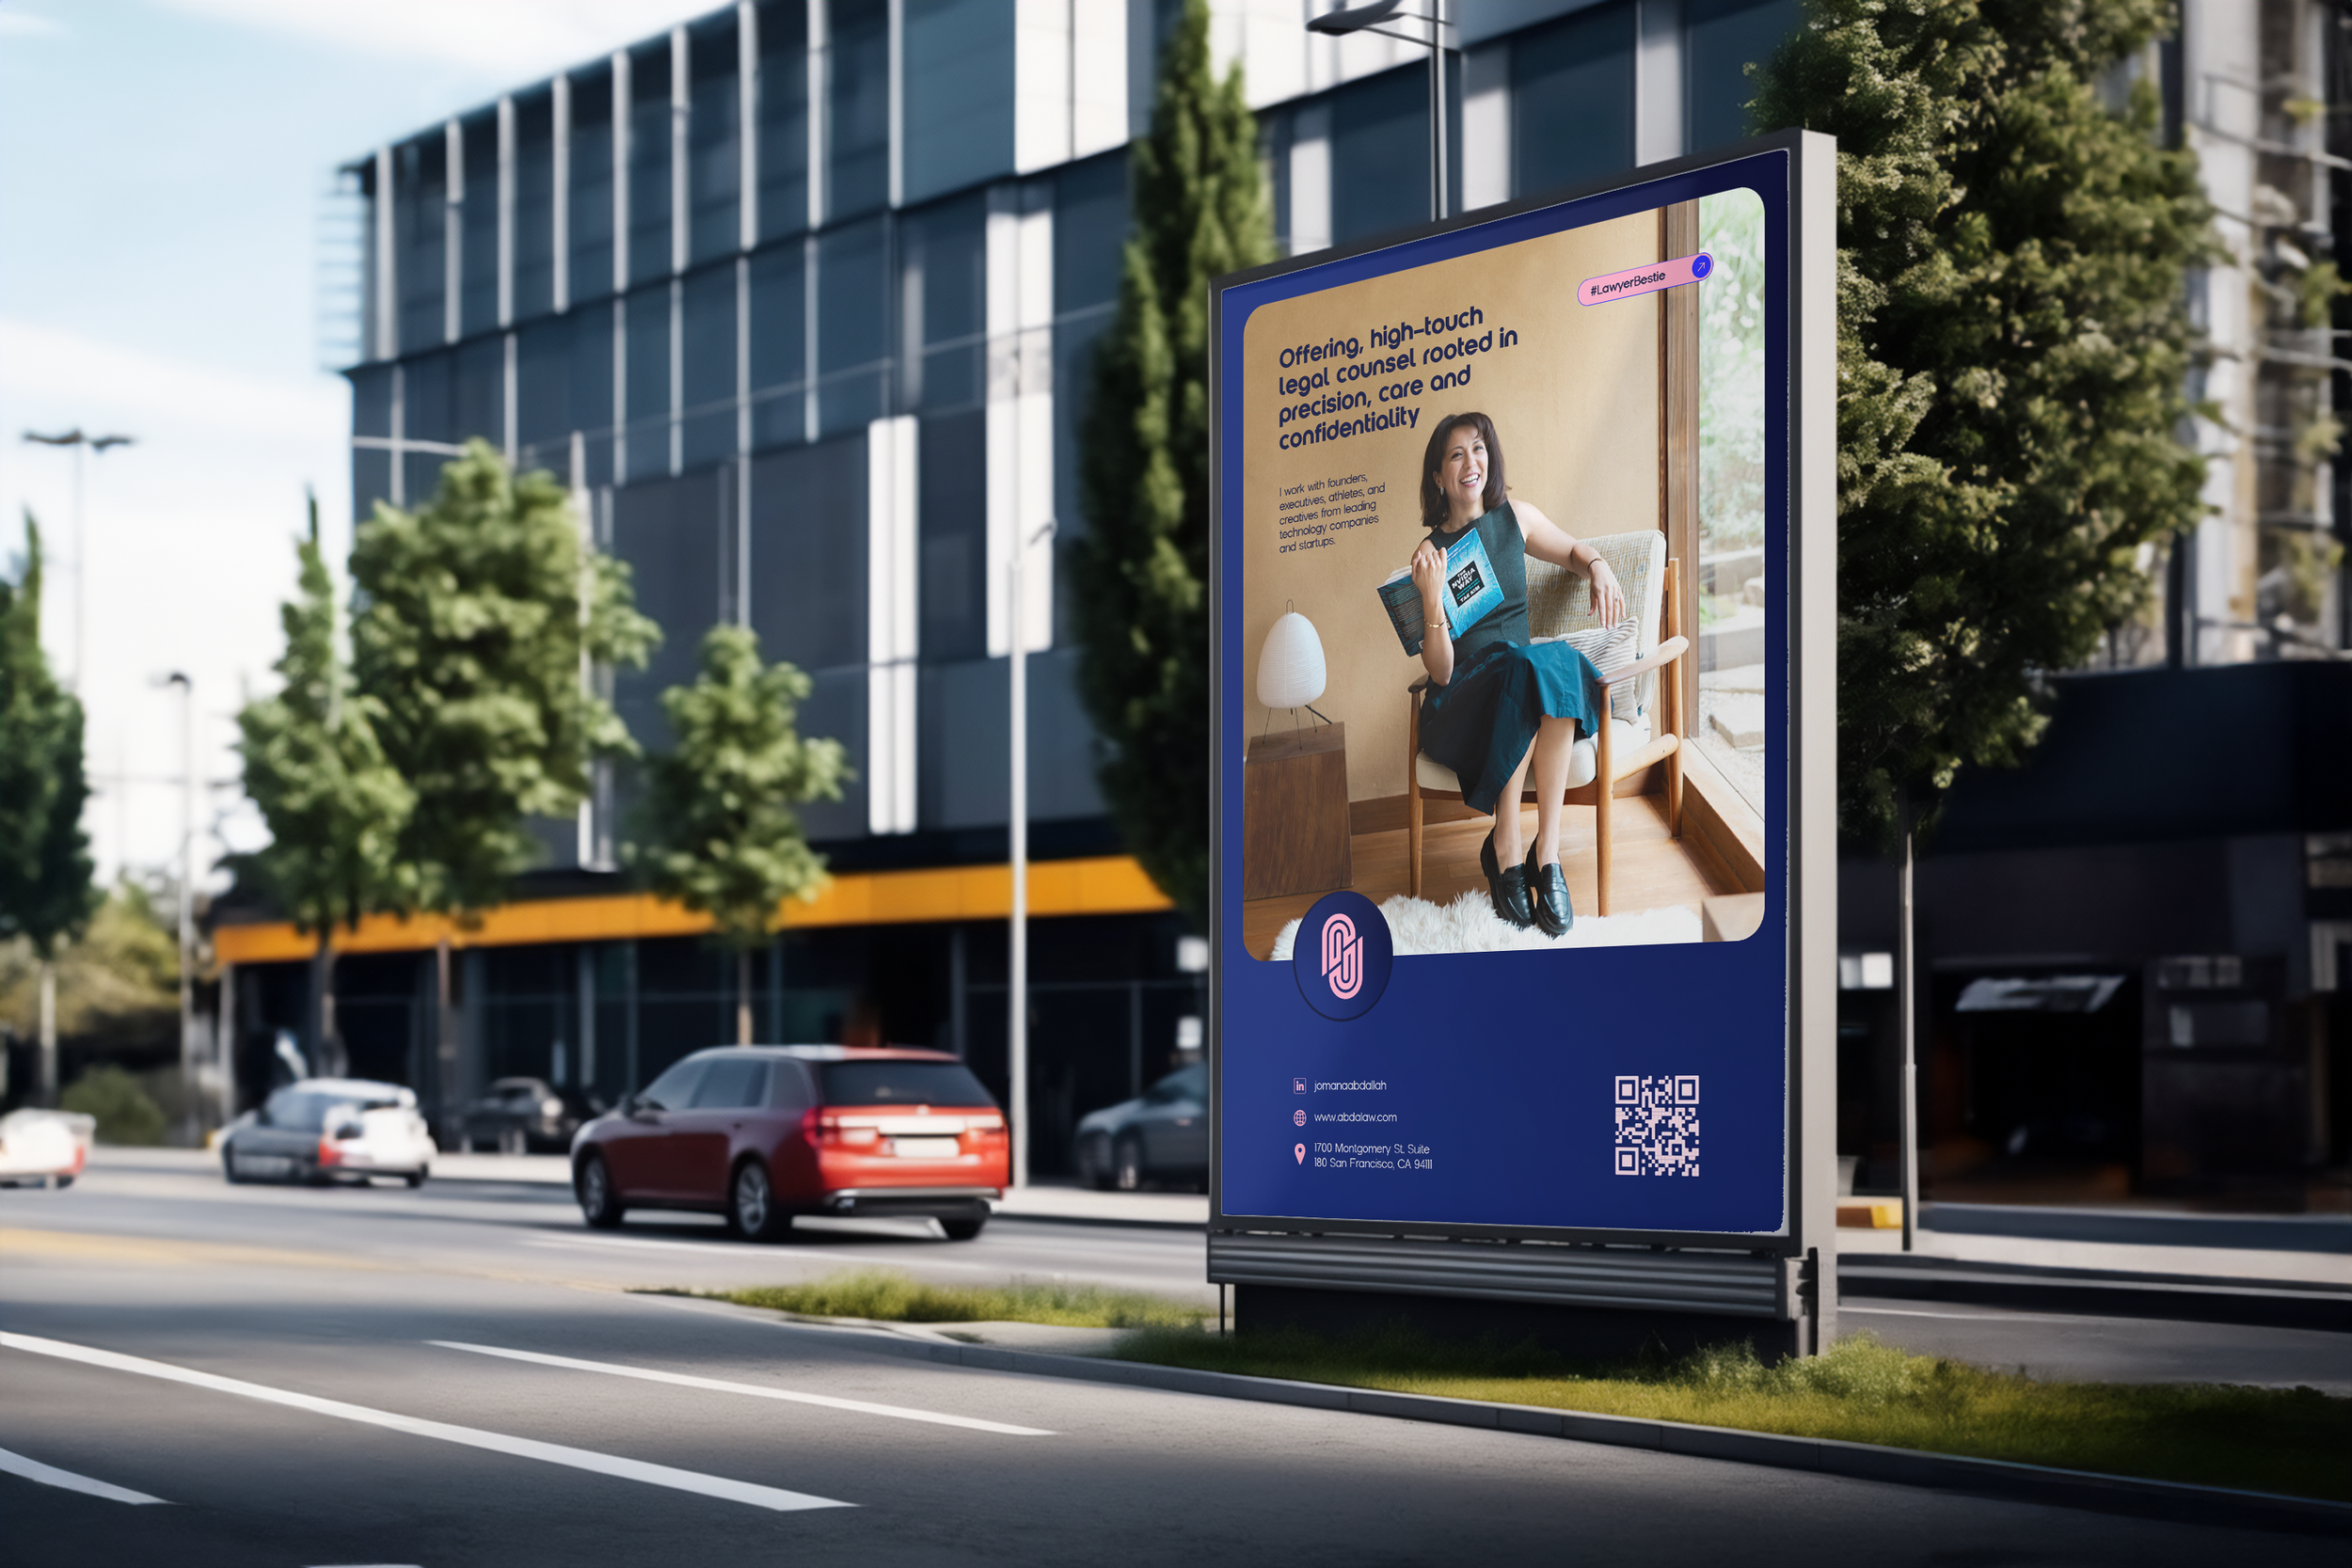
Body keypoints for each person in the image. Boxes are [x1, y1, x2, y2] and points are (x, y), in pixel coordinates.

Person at [1409, 411, 1627, 935]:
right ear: (1439, 476)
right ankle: (1506, 842)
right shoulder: (1429, 555)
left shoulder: (1516, 517)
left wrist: (1597, 565)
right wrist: (1431, 600)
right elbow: (1439, 672)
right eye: (1456, 454)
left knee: (1548, 665)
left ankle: (1543, 854)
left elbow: (1573, 550)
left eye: (1478, 449)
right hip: (1463, 697)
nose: (1471, 462)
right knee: (1530, 665)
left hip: (1522, 681)